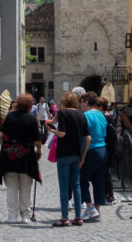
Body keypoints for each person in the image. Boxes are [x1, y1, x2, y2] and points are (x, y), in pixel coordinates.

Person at [0, 92, 42, 223]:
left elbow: (1, 134)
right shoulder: (32, 119)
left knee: (11, 188)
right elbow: (37, 140)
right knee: (26, 187)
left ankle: (12, 216)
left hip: (9, 156)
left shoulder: (10, 117)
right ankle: (25, 215)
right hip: (26, 157)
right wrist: (38, 150)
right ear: (29, 106)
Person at [49, 91, 89, 227]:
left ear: (64, 102)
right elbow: (88, 137)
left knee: (64, 186)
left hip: (64, 154)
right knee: (76, 185)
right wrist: (83, 156)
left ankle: (65, 217)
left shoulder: (63, 113)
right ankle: (78, 217)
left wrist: (52, 131)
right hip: (77, 154)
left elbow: (62, 133)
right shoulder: (81, 115)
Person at [77, 92, 108, 221]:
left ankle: (90, 208)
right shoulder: (101, 115)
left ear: (87, 102)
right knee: (98, 181)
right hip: (103, 149)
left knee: (81, 180)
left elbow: (83, 136)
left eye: (82, 102)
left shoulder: (86, 116)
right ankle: (97, 209)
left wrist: (81, 155)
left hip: (91, 150)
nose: (80, 104)